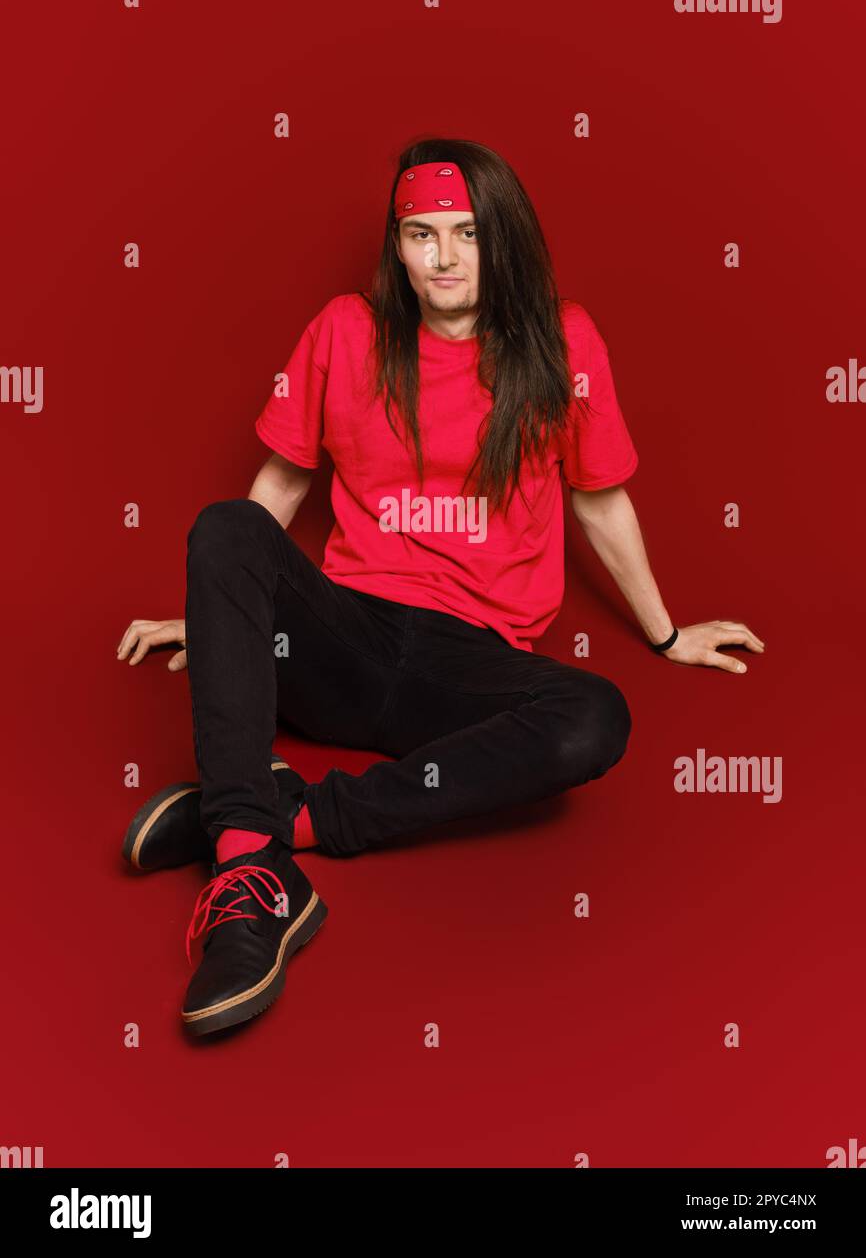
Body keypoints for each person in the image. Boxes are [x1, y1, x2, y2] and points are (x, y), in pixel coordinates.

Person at [116, 139, 764, 1038]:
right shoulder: (346, 331)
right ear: (398, 243)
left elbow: (600, 497)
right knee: (225, 525)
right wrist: (220, 611)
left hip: (463, 671)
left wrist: (665, 634)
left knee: (594, 717)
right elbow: (278, 492)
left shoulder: (562, 344)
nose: (446, 258)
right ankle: (249, 871)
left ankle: (285, 816)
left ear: (504, 240)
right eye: (422, 234)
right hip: (343, 640)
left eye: (467, 234)